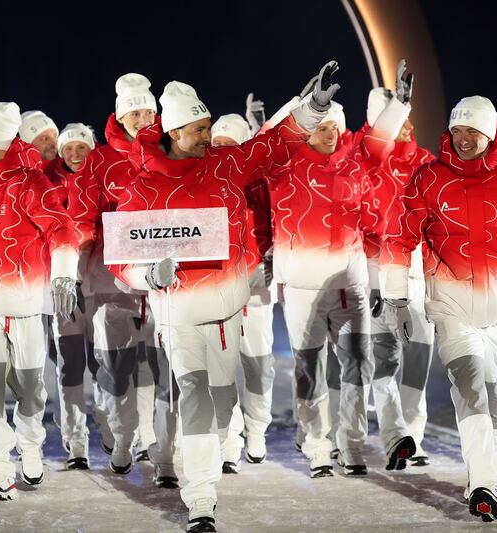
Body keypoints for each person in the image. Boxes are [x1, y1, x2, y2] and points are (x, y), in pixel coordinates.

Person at [111, 61, 339, 533]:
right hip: (178, 311)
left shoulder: (224, 163)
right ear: (174, 131)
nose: (206, 135)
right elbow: (120, 260)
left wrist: (311, 109)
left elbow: (274, 145)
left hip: (227, 309)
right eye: (198, 129)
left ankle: (209, 460)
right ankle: (200, 498)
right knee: (193, 393)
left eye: (208, 126)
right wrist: (147, 274)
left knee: (221, 403)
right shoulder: (143, 185)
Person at [381, 96, 497, 521]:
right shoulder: (429, 179)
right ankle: (486, 485)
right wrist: (395, 296)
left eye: (472, 131)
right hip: (452, 304)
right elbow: (400, 238)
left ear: (489, 132)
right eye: (457, 131)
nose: (463, 139)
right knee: (468, 386)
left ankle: (483, 476)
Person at [271, 82, 416, 477]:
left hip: (349, 287)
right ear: (306, 130)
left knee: (358, 364)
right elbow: (268, 140)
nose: (330, 133)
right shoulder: (283, 168)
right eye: (321, 127)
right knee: (309, 368)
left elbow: (378, 145)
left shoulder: (356, 167)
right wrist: (299, 105)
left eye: (334, 127)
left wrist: (400, 105)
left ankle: (350, 444)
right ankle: (317, 444)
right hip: (302, 288)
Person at [0, 102, 84, 500]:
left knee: (29, 389)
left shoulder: (31, 183)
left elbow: (62, 231)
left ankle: (30, 444)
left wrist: (63, 276)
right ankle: (0, 472)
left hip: (23, 307)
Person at [79, 73, 174, 485]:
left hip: (163, 284)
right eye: (134, 113)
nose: (142, 119)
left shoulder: (169, 152)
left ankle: (161, 448)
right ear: (120, 116)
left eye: (148, 112)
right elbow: (82, 216)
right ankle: (122, 439)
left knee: (160, 367)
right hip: (111, 283)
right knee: (117, 370)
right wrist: (75, 272)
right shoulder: (100, 160)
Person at [353, 80, 436, 466]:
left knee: (418, 358)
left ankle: (413, 435)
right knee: (383, 360)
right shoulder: (362, 163)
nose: (408, 125)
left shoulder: (426, 163)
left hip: (419, 273)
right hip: (377, 273)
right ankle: (395, 435)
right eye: (398, 119)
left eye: (407, 117)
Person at [211, 108, 276, 470]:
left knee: (258, 364)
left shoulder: (260, 183)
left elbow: (279, 222)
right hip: (218, 285)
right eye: (216, 144)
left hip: (255, 282)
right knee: (221, 366)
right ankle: (229, 439)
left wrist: (273, 258)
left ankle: (257, 430)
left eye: (229, 145)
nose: (221, 151)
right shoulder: (203, 180)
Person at [44, 122, 101, 469]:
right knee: (70, 366)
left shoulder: (105, 180)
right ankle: (76, 443)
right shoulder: (47, 184)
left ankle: (111, 427)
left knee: (104, 365)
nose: (75, 154)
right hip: (64, 292)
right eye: (68, 148)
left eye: (81, 147)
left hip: (102, 290)